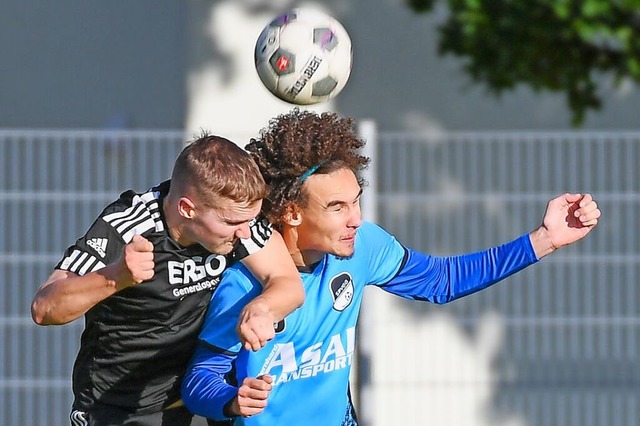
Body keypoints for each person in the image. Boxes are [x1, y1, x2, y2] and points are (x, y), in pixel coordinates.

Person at [180, 110, 601, 425]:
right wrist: (232, 400)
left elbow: (442, 280)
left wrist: (544, 239)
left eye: (356, 199)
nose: (356, 218)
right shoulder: (244, 283)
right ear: (291, 213)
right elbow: (200, 378)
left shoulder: (364, 247)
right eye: (337, 207)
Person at [30, 133, 305, 426]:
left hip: (198, 400)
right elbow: (45, 308)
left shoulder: (237, 224)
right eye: (232, 223)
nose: (246, 233)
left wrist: (263, 308)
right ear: (188, 209)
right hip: (118, 410)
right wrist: (115, 277)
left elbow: (286, 282)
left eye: (250, 220)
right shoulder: (129, 226)